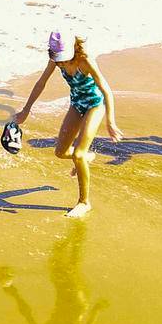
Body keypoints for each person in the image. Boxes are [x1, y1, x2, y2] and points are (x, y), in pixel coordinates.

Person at [14, 29, 125, 218]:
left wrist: (111, 121)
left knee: (78, 154)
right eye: (58, 58)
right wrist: (26, 110)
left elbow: (106, 90)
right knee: (60, 152)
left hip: (95, 105)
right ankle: (86, 158)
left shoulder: (85, 60)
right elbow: (41, 83)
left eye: (64, 58)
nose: (61, 63)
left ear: (73, 49)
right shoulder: (55, 61)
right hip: (76, 104)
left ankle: (84, 202)